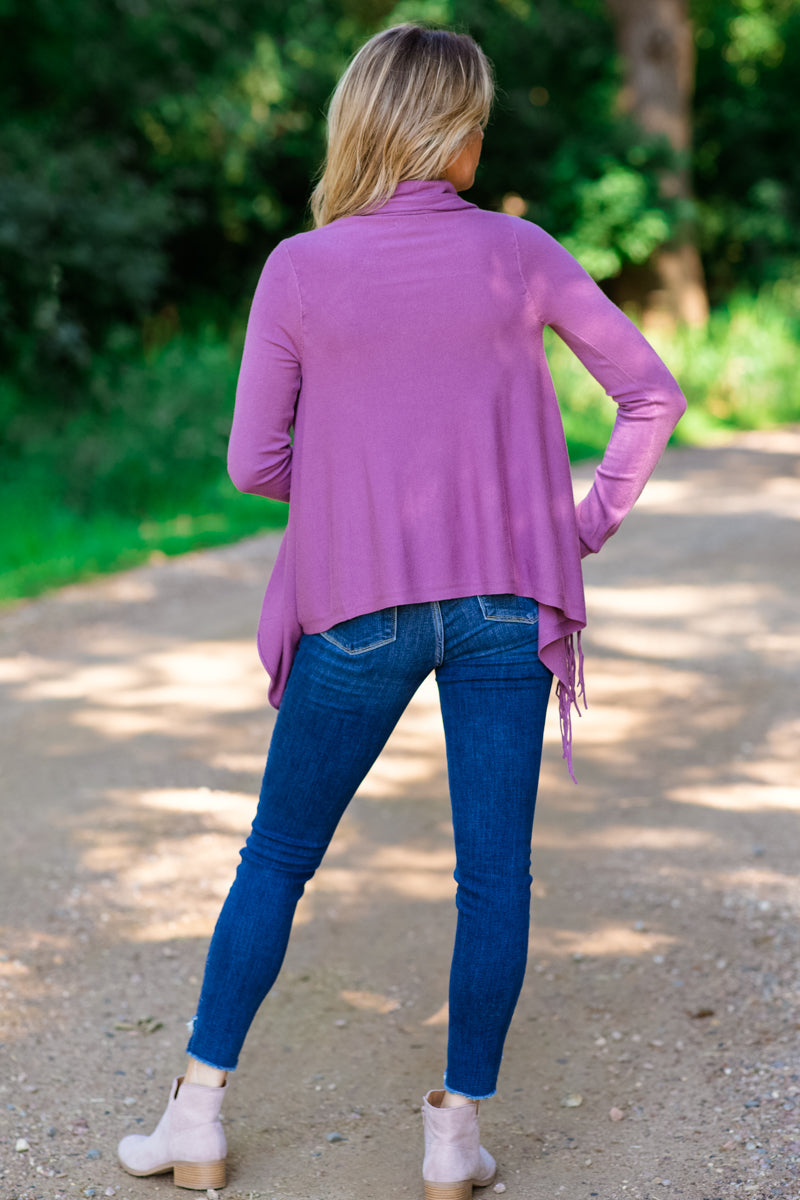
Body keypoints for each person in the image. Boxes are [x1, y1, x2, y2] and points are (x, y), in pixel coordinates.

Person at [117, 22, 686, 1198]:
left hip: (357, 605)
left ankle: (196, 1118)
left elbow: (250, 461)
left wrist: (351, 494)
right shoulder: (517, 251)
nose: (483, 141)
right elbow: (648, 394)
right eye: (477, 121)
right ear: (449, 133)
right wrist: (575, 526)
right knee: (494, 878)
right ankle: (453, 1137)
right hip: (506, 604)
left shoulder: (300, 267)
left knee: (278, 857)